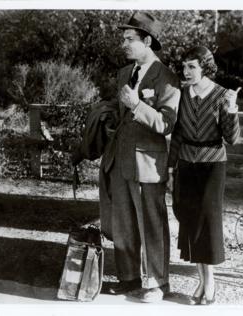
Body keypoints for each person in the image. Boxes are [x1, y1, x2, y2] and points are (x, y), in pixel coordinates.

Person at [100, 12, 181, 303]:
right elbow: (120, 114)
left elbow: (166, 123)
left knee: (151, 223)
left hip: (148, 163)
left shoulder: (167, 77)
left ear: (147, 41)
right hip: (121, 160)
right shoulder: (124, 73)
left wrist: (137, 105)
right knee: (123, 221)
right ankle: (129, 277)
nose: (124, 44)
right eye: (123, 39)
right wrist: (110, 120)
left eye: (129, 39)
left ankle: (157, 282)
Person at [167, 46, 240, 305]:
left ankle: (210, 283)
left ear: (205, 68)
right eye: (184, 66)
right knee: (190, 221)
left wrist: (232, 110)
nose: (186, 72)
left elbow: (231, 139)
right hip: (186, 164)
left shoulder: (221, 95)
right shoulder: (182, 94)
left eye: (192, 67)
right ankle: (201, 281)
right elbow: (176, 135)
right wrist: (170, 168)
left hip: (212, 167)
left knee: (207, 223)